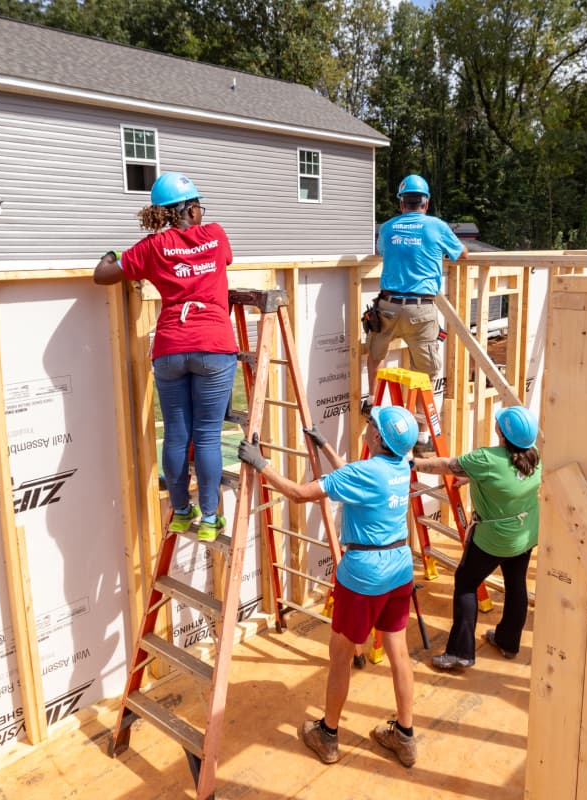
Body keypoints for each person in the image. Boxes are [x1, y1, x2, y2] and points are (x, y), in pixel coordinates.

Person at [237, 407, 420, 767]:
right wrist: (324, 447)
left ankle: (328, 735)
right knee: (398, 651)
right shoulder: (401, 465)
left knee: (340, 656)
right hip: (399, 568)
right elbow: (353, 477)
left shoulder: (364, 473)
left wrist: (261, 464)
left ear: (378, 437)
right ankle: (405, 736)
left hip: (363, 577)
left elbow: (298, 493)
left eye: (371, 423)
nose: (366, 426)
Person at [94, 172, 237, 542]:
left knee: (176, 432)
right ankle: (210, 519)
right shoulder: (215, 234)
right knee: (207, 436)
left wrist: (113, 254)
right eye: (199, 206)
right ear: (189, 209)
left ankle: (181, 513)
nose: (202, 212)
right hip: (213, 345)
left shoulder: (153, 246)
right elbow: (226, 259)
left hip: (171, 347)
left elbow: (103, 275)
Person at [413, 405, 541, 668]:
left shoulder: (486, 459)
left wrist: (410, 463)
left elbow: (445, 465)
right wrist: (474, 477)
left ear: (500, 431)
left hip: (494, 540)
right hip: (524, 535)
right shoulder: (533, 455)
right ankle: (508, 642)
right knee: (516, 584)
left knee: (466, 583)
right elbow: (508, 478)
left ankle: (460, 653)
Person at [367, 174, 468, 448]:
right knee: (425, 371)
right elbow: (463, 254)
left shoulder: (388, 227)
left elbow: (381, 251)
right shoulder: (437, 226)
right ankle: (422, 431)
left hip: (387, 307)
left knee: (375, 356)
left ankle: (374, 407)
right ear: (426, 203)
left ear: (401, 203)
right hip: (420, 310)